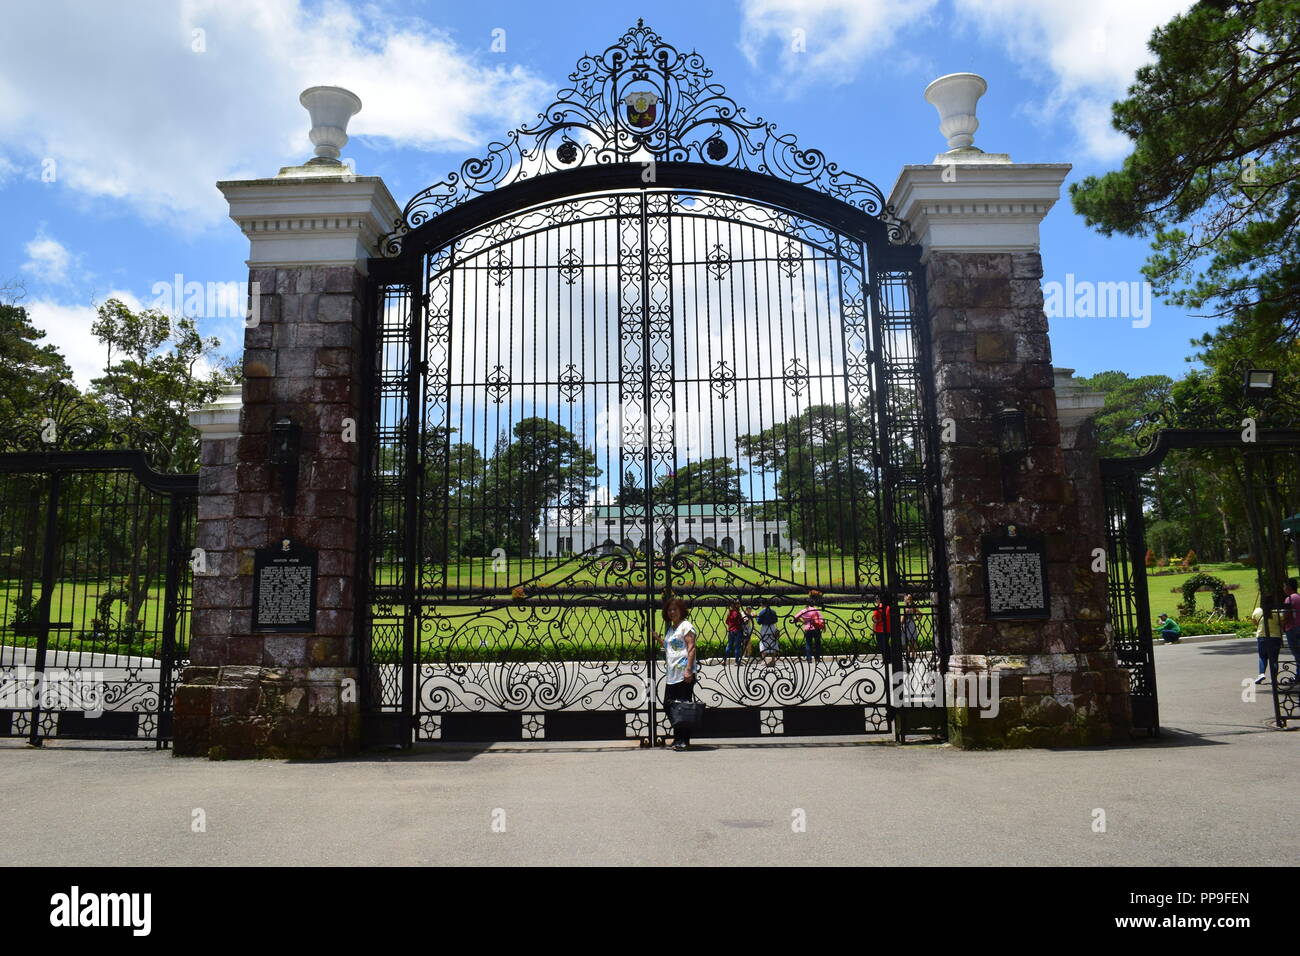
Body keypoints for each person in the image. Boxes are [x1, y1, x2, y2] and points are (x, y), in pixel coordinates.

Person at [653, 597, 699, 751]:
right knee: (670, 705)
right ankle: (678, 738)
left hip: (683, 673)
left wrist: (688, 670)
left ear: (681, 610)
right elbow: (670, 647)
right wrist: (658, 638)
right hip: (672, 674)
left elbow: (691, 647)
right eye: (669, 610)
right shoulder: (672, 628)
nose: (672, 612)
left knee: (682, 708)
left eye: (675, 609)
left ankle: (683, 740)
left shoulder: (686, 626)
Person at [1251, 594, 1283, 685]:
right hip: (1275, 637)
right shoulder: (1277, 612)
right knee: (1274, 659)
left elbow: (1254, 621)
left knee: (1262, 656)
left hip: (1262, 636)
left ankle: (1261, 674)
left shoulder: (1258, 611)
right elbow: (1282, 622)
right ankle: (1274, 678)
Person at [1282, 580, 1300, 685]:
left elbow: (1287, 614)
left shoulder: (1290, 599)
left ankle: (1298, 676)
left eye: (1284, 586)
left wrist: (1282, 624)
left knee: (1296, 653)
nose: (1283, 588)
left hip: (1292, 628)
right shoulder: (1298, 597)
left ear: (1289, 587)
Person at [755, 602, 780, 667]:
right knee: (773, 643)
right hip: (772, 627)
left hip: (765, 628)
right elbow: (776, 620)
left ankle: (764, 661)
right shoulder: (773, 611)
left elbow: (759, 622)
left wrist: (756, 617)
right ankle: (773, 660)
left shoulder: (762, 612)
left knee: (763, 643)